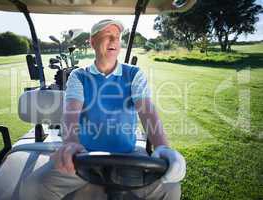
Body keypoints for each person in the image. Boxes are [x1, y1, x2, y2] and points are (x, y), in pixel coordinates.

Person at [20, 19, 186, 200]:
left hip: (128, 157)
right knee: (34, 186)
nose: (114, 41)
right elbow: (70, 114)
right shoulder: (79, 76)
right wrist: (70, 143)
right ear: (92, 42)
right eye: (108, 36)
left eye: (117, 37)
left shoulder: (134, 74)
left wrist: (163, 146)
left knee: (170, 189)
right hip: (82, 157)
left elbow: (147, 112)